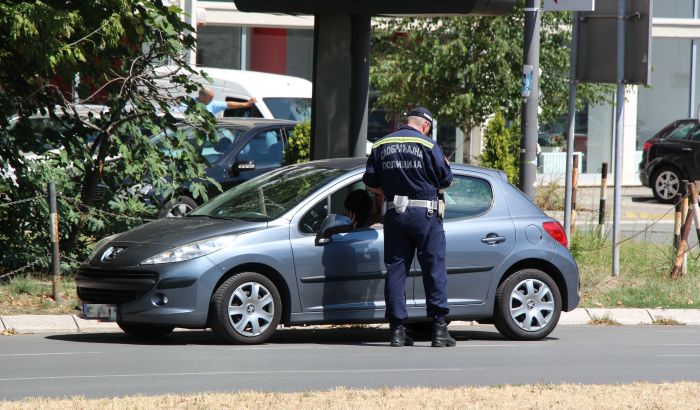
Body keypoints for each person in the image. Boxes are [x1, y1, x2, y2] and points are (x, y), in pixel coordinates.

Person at [363, 107, 455, 348]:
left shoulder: (380, 145)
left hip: (396, 213)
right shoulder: (427, 145)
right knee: (433, 268)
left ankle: (397, 331)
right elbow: (447, 180)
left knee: (396, 269)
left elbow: (370, 182)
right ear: (425, 125)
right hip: (426, 214)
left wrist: (393, 192)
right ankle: (439, 329)